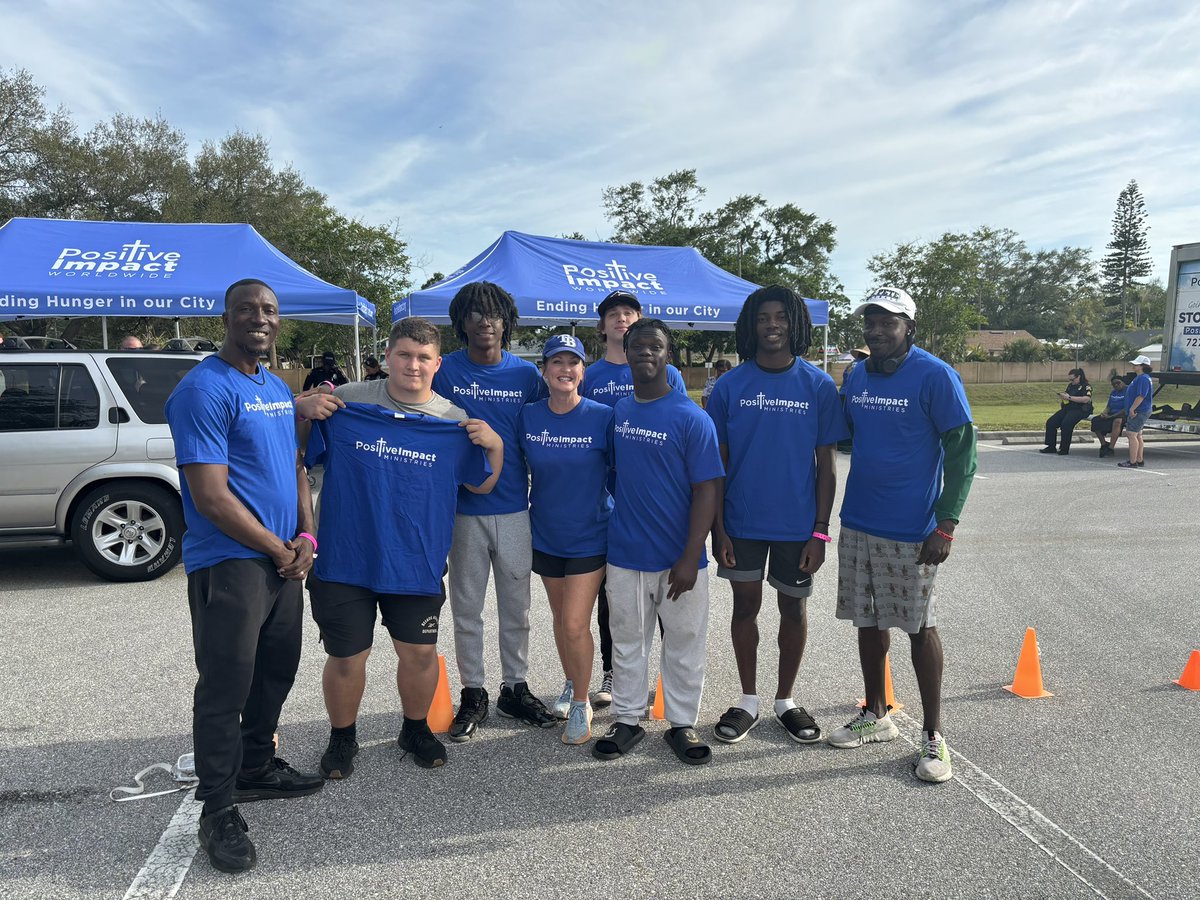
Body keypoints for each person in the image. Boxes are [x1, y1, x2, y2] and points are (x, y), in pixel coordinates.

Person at [294, 317, 504, 777]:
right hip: (345, 558)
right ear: (386, 356)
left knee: (420, 654)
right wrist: (300, 408)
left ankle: (415, 728)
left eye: (423, 357)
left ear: (437, 364)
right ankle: (342, 737)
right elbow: (296, 446)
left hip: (415, 562)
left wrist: (497, 446)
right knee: (348, 656)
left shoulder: (454, 422)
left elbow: (484, 484)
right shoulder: (347, 403)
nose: (413, 365)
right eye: (404, 355)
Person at [165, 279, 324, 874]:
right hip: (230, 560)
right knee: (225, 684)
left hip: (282, 557)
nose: (260, 319)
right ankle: (218, 808)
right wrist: (277, 549)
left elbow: (294, 465)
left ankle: (258, 765)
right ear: (225, 316)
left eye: (269, 311)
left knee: (276, 670)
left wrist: (305, 537)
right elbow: (209, 496)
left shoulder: (276, 386)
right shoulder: (203, 389)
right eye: (247, 310)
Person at [828, 286, 976, 785]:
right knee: (867, 623)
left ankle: (934, 735)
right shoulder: (858, 374)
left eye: (887, 322)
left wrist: (946, 524)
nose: (876, 330)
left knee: (918, 626)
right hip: (859, 521)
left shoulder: (936, 375)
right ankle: (877, 714)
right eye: (870, 322)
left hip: (914, 529)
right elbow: (849, 435)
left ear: (908, 326)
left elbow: (962, 454)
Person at [708, 286, 847, 746]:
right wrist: (719, 528)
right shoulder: (729, 387)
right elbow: (717, 466)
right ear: (751, 325)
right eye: (763, 317)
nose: (772, 324)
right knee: (745, 607)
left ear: (795, 324)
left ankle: (785, 700)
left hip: (797, 526)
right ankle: (747, 699)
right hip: (741, 523)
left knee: (794, 607)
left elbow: (826, 466)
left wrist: (820, 533)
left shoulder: (818, 385)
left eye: (781, 316)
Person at [592, 318, 724, 767]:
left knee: (684, 641)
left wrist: (691, 555)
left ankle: (682, 723)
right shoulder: (620, 413)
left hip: (680, 559)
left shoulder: (693, 418)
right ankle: (627, 719)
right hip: (626, 552)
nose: (645, 353)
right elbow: (613, 474)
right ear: (625, 354)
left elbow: (708, 488)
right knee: (628, 641)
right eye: (637, 347)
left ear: (668, 356)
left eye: (655, 347)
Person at [432, 282, 556, 740]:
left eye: (494, 314)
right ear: (462, 322)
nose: (486, 322)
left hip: (513, 508)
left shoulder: (525, 376)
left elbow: (547, 428)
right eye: (476, 314)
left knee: (517, 608)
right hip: (462, 510)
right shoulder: (445, 372)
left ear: (506, 321)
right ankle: (474, 692)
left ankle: (515, 687)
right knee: (467, 607)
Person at [581, 289, 688, 708]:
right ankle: (614, 673)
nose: (621, 318)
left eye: (629, 312)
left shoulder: (669, 373)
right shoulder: (589, 375)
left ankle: (666, 680)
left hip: (658, 502)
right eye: (613, 314)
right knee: (617, 598)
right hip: (609, 502)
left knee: (666, 595)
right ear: (604, 326)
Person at [519, 334, 614, 744]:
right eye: (556, 362)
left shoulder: (603, 416)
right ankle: (574, 679)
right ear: (544, 371)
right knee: (561, 621)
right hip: (545, 535)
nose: (565, 370)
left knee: (575, 623)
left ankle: (581, 702)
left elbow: (625, 473)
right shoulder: (528, 417)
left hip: (590, 536)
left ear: (583, 371)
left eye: (573, 363)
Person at [1040, 368, 1093, 455]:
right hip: (1068, 408)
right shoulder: (1070, 386)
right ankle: (1051, 446)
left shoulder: (1086, 386)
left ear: (1079, 377)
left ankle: (1064, 448)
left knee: (1066, 424)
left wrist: (1069, 398)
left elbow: (1086, 399)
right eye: (1070, 380)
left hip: (1080, 409)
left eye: (1073, 379)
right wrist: (1063, 397)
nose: (1071, 381)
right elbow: (1067, 395)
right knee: (1051, 422)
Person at [1119, 355, 1154, 469]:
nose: (1134, 365)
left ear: (1143, 366)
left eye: (1136, 364)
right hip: (1141, 409)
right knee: (1138, 434)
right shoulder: (1141, 377)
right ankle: (1139, 459)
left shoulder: (1143, 378)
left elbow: (1141, 396)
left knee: (1131, 434)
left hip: (1140, 410)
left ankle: (1133, 461)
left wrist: (1132, 408)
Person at [1091, 375, 1127, 458]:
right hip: (1111, 413)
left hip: (1123, 414)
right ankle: (1104, 444)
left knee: (1117, 421)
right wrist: (1104, 413)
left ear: (1123, 382)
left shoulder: (1128, 391)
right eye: (1114, 384)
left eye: (1118, 383)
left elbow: (1126, 409)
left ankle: (1111, 448)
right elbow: (1108, 406)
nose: (1116, 385)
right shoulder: (1113, 392)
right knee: (1095, 420)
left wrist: (1112, 416)